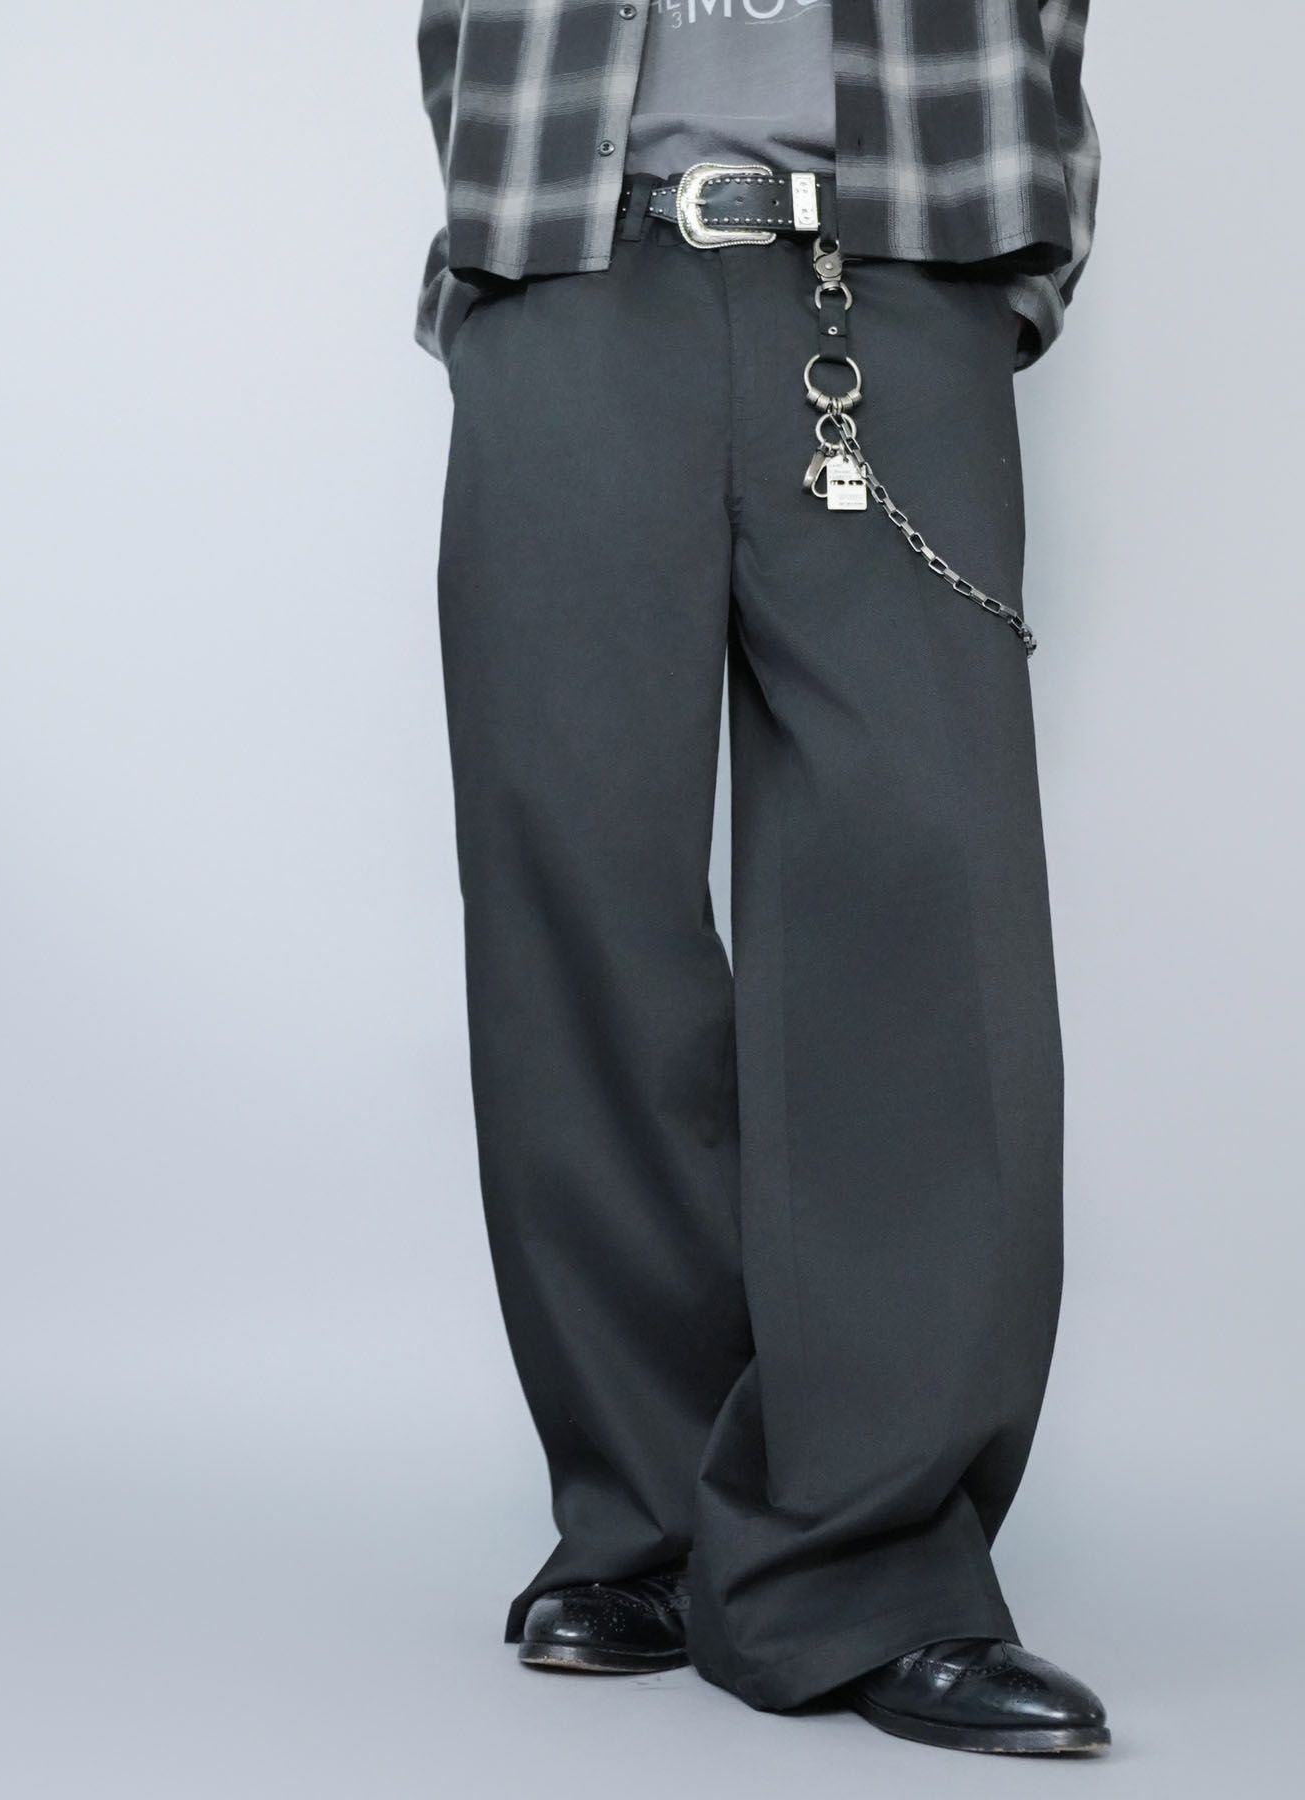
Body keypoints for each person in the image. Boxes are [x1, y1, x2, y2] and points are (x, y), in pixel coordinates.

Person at [415, 0, 1105, 1757]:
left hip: (893, 270)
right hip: (577, 278)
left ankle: (873, 1564)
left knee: (917, 896)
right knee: (575, 892)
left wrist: (995, 276)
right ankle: (645, 1517)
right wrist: (502, 267)